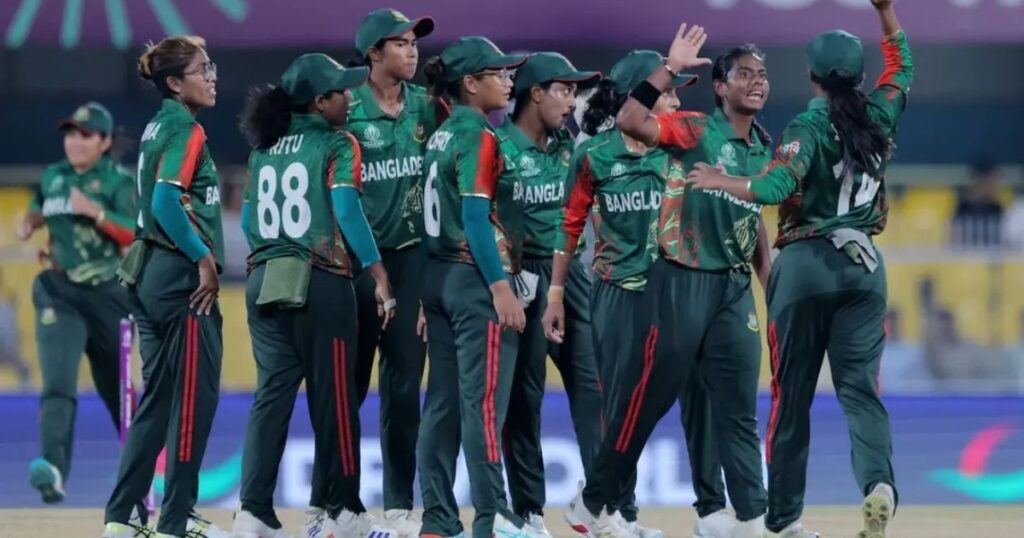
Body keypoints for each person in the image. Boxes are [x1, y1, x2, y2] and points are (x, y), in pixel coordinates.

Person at [686, 1, 912, 535]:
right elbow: (901, 65)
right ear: (858, 76)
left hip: (807, 265)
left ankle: (783, 519)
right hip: (864, 268)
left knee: (791, 400)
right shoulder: (881, 114)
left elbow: (774, 187)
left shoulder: (808, 124)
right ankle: (878, 483)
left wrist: (721, 180)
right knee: (861, 391)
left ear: (812, 75)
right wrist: (886, 11)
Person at [557, 47, 763, 538]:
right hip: (621, 290)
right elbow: (570, 223)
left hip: (681, 282)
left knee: (707, 396)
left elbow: (740, 209)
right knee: (636, 402)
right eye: (668, 93)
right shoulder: (598, 153)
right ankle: (611, 507)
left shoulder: (681, 143)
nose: (675, 101)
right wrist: (555, 292)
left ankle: (717, 510)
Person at [230, 53, 398, 538]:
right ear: (320, 102)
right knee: (336, 400)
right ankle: (344, 512)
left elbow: (248, 222)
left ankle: (253, 513)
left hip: (264, 280)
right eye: (341, 91)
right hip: (320, 281)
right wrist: (379, 273)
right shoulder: (338, 143)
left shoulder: (263, 150)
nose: (349, 97)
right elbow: (346, 210)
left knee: (271, 397)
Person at [102, 35, 229, 538]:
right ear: (175, 83)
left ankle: (121, 518)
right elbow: (163, 203)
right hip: (181, 279)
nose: (213, 76)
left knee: (158, 400)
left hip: (147, 274)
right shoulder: (185, 129)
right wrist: (204, 259)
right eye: (203, 69)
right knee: (195, 399)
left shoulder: (157, 125)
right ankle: (176, 521)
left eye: (212, 65)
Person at [416, 36, 536, 538]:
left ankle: (438, 519)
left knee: (442, 403)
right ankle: (492, 517)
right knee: (483, 402)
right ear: (469, 83)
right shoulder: (478, 136)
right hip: (473, 279)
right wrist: (499, 287)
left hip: (438, 277)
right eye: (498, 73)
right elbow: (473, 217)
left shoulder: (440, 136)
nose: (509, 81)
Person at [496, 51, 601, 537]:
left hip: (567, 274)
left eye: (575, 92)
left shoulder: (569, 145)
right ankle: (529, 512)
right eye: (563, 90)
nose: (571, 101)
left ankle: (604, 503)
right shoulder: (497, 146)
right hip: (519, 277)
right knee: (524, 397)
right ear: (534, 93)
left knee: (596, 385)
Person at [345, 10, 439, 535]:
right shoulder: (345, 109)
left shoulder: (428, 106)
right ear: (373, 53)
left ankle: (400, 506)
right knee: (349, 390)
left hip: (412, 262)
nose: (412, 51)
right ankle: (337, 505)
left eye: (414, 43)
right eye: (400, 43)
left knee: (404, 391)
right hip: (358, 264)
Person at [15, 101, 135, 504]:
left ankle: (145, 477)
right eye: (70, 134)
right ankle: (52, 468)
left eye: (85, 135)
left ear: (104, 142)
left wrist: (96, 213)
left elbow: (135, 235)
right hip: (60, 290)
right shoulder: (54, 176)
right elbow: (39, 209)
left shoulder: (119, 182)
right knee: (58, 383)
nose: (75, 142)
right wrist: (28, 222)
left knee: (119, 396)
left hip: (108, 295)